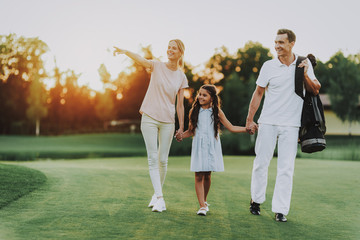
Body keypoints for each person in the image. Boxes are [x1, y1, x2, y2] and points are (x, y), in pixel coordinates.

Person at [246, 29, 321, 222]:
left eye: (281, 42)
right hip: (268, 121)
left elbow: (315, 89)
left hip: (291, 124)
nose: (277, 46)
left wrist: (304, 74)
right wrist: (250, 119)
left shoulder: (303, 63)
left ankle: (280, 210)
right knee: (261, 163)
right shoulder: (268, 66)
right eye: (275, 42)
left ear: (292, 44)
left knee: (286, 168)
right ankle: (256, 201)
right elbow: (258, 93)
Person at [113, 39, 188, 213]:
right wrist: (125, 51)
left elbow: (180, 105)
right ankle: (160, 198)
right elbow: (141, 60)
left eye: (174, 48)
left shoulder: (181, 76)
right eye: (168, 47)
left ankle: (156, 194)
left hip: (168, 121)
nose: (170, 50)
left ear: (180, 53)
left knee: (163, 160)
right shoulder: (156, 66)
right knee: (153, 158)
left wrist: (181, 126)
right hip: (149, 117)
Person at [176, 84, 247, 216]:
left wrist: (246, 129)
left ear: (212, 98)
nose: (200, 97)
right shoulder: (194, 111)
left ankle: (205, 201)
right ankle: (202, 206)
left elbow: (231, 127)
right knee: (198, 175)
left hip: (211, 145)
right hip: (199, 145)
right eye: (200, 94)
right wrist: (180, 135)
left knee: (207, 175)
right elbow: (191, 131)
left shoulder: (217, 112)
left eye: (204, 95)